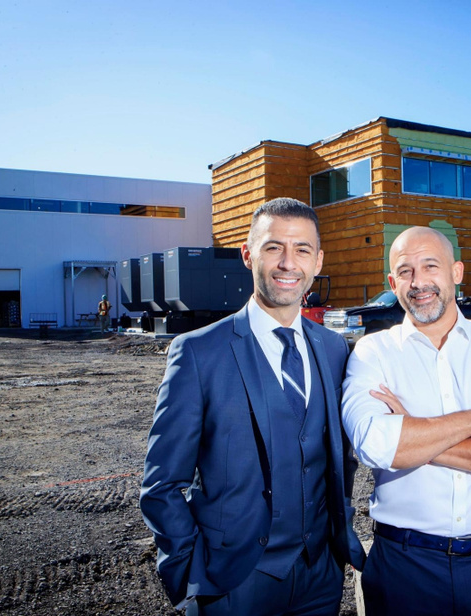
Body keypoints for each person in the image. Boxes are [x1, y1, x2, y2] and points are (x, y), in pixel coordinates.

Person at [140, 198, 365, 616]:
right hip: (233, 583)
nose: (288, 263)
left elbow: (339, 458)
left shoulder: (334, 349)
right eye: (273, 247)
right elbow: (162, 485)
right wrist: (189, 573)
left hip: (321, 578)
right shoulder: (197, 352)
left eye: (301, 250)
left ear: (318, 261)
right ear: (248, 255)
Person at [342, 226, 471, 615]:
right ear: (392, 282)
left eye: (430, 266)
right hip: (404, 569)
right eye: (405, 271)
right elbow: (375, 443)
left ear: (456, 272)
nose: (419, 281)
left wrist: (412, 431)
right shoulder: (374, 352)